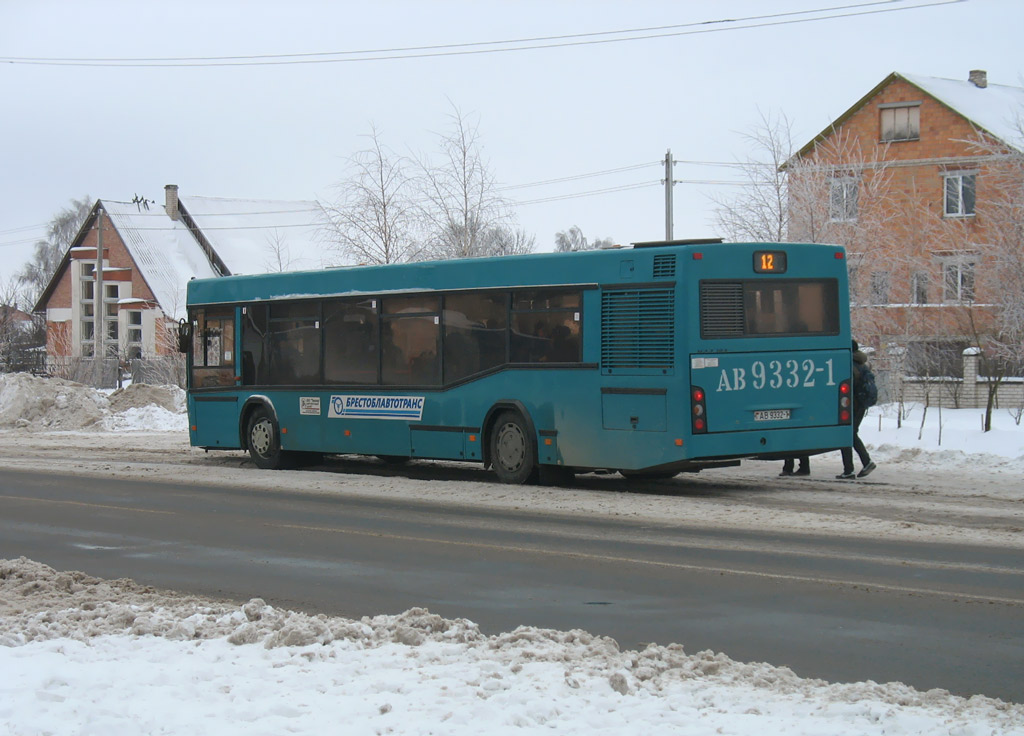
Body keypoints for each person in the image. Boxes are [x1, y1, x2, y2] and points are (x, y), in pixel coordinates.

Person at [838, 339, 878, 479]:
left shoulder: (850, 364)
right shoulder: (862, 364)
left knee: (847, 435)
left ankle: (857, 466)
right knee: (850, 434)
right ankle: (852, 467)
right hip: (861, 405)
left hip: (851, 405)